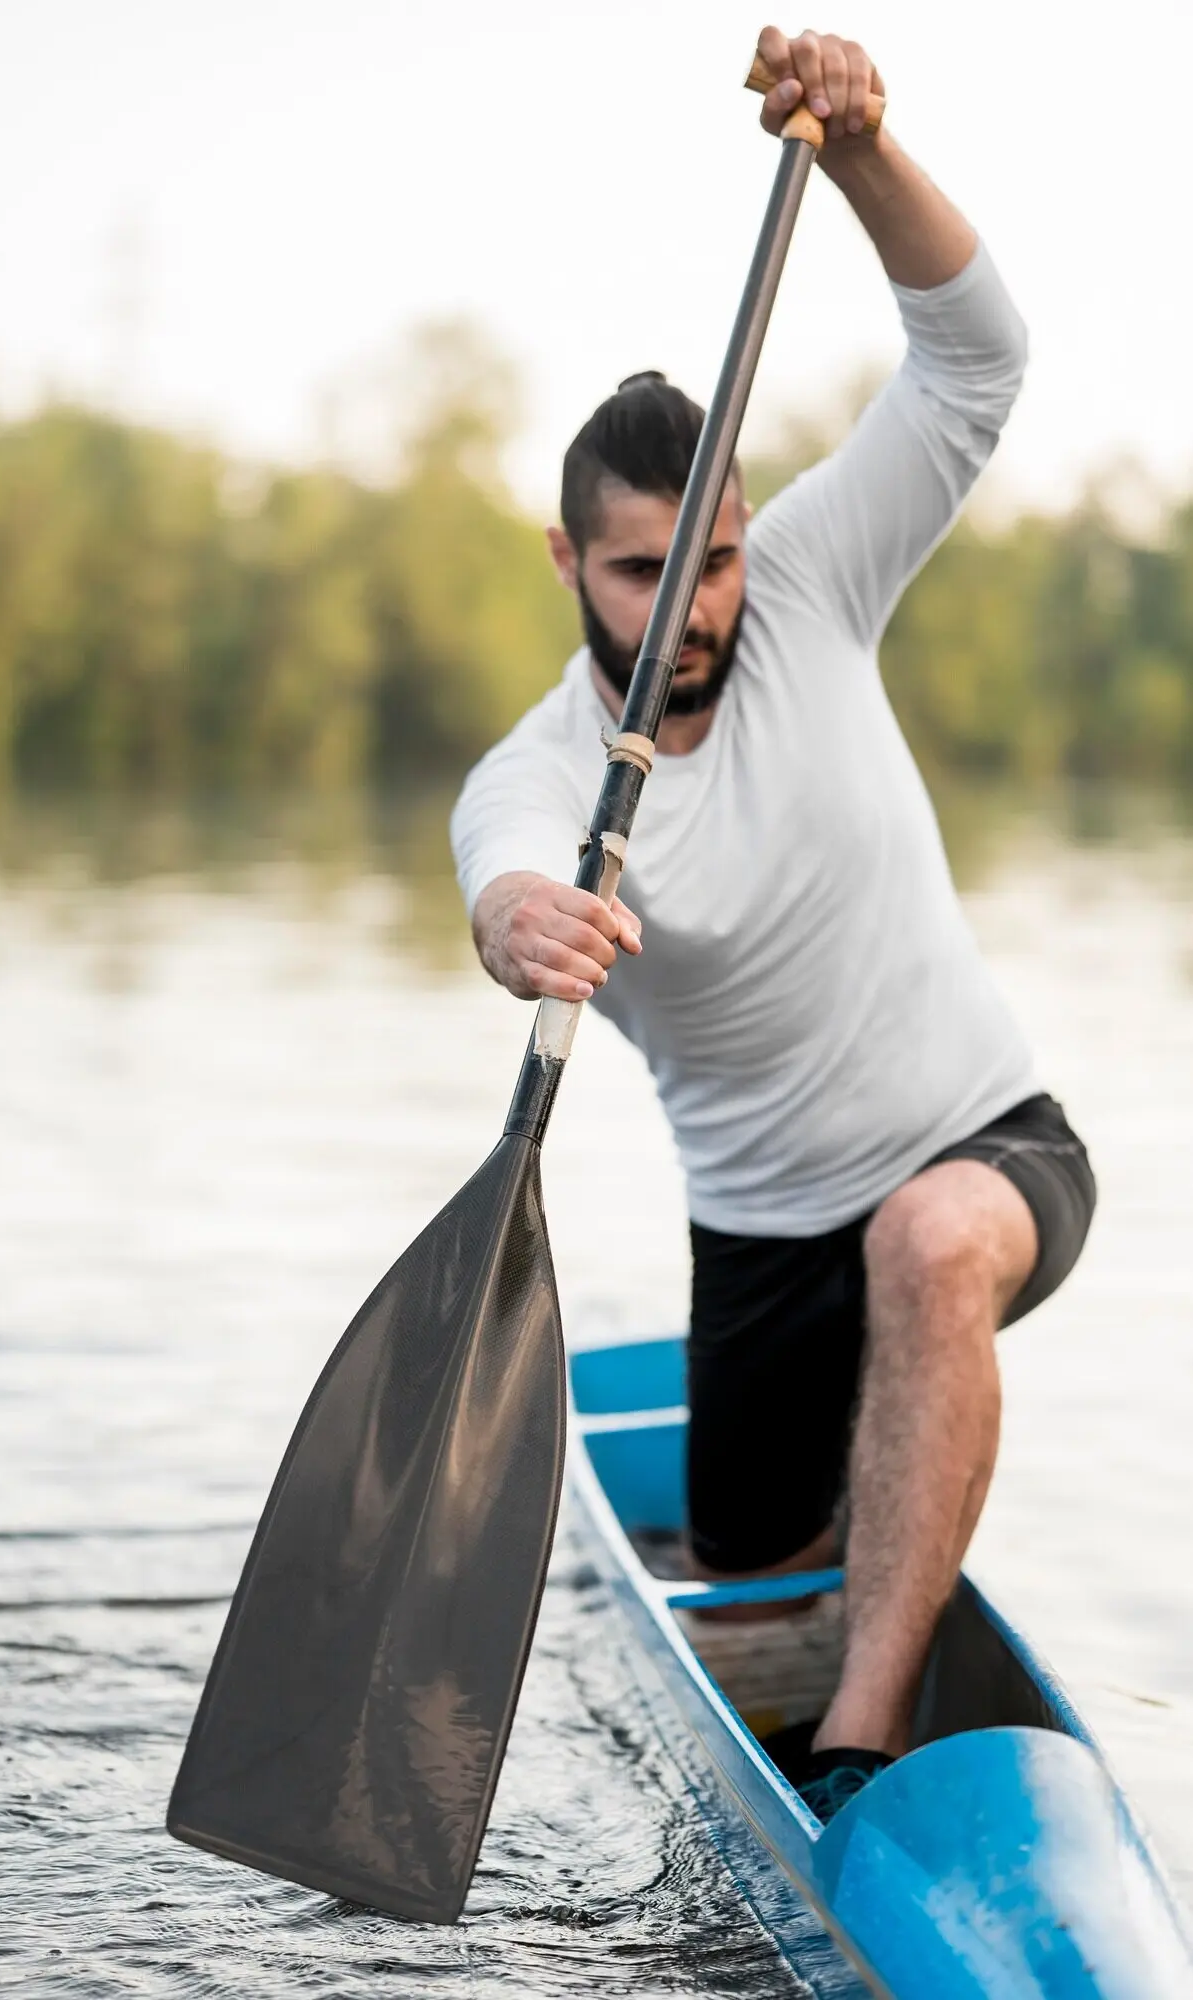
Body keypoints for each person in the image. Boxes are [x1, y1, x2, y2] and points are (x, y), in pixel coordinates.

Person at [449, 25, 1095, 1823]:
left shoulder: (814, 575)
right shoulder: (542, 774)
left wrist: (867, 147)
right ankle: (831, 1565)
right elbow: (501, 872)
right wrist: (519, 924)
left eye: (712, 558)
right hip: (759, 1244)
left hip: (986, 1142)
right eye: (642, 572)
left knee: (930, 1243)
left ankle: (862, 1746)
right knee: (744, 1554)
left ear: (747, 531)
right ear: (568, 563)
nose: (692, 607)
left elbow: (977, 356)